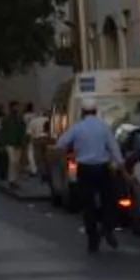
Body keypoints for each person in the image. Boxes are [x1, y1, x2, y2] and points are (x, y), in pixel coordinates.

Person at [56, 104, 121, 254]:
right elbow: (114, 147)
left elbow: (61, 144)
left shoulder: (77, 128)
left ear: (82, 112)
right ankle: (107, 227)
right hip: (102, 168)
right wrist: (120, 164)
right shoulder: (103, 127)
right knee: (110, 200)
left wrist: (71, 151)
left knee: (88, 205)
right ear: (95, 112)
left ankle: (93, 239)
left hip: (85, 169)